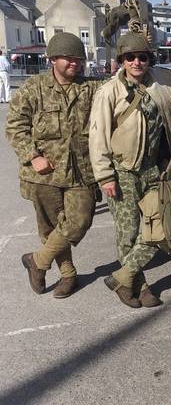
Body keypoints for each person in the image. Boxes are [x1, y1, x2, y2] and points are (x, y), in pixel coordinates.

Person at [90, 32, 171, 308]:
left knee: (158, 228)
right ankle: (137, 285)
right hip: (122, 171)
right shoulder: (109, 91)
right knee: (128, 232)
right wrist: (104, 175)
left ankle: (123, 276)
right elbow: (97, 135)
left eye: (142, 57)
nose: (137, 62)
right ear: (121, 60)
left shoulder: (160, 81)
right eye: (130, 57)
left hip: (152, 169)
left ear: (149, 59)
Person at [6, 32, 102, 298]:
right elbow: (15, 126)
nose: (75, 63)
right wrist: (32, 155)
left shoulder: (92, 87)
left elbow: (121, 86)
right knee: (49, 227)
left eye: (78, 59)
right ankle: (68, 275)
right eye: (69, 58)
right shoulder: (33, 88)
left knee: (79, 220)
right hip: (43, 173)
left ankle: (36, 261)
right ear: (52, 60)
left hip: (81, 169)